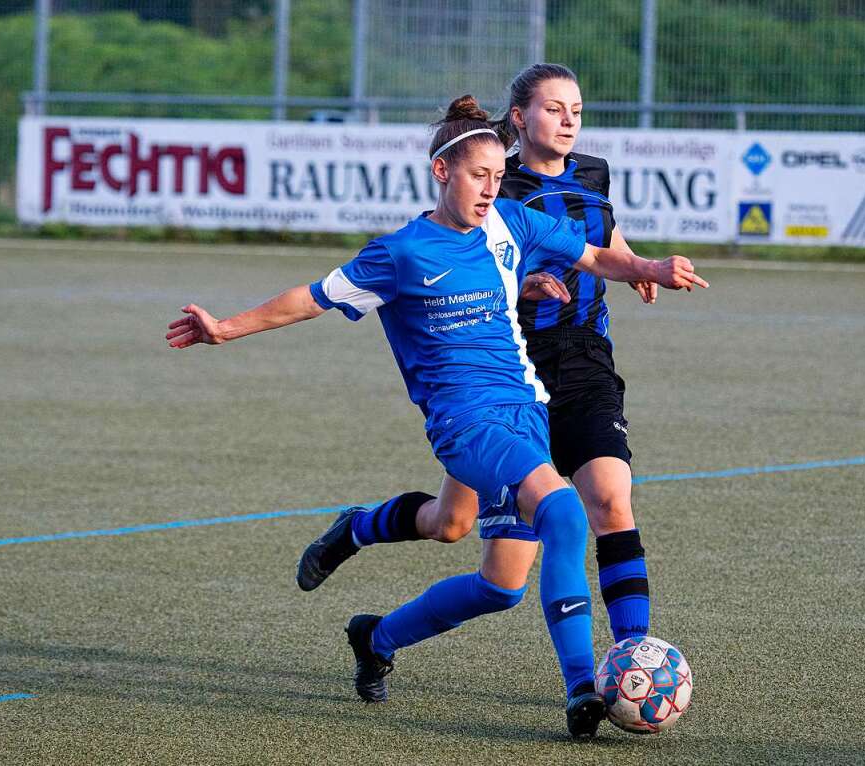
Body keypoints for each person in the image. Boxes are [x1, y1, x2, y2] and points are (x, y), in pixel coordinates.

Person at [169, 95, 705, 738]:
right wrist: (224, 328)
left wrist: (646, 267)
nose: (490, 189)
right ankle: (581, 689)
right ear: (441, 172)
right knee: (563, 509)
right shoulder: (400, 254)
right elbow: (309, 300)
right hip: (465, 423)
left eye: (498, 177)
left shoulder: (512, 222)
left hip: (525, 409)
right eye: (479, 176)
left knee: (497, 581)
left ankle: (376, 635)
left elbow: (594, 256)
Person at [299, 65, 706, 651]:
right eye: (554, 109)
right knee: (451, 525)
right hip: (507, 372)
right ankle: (359, 530)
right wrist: (526, 285)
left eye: (577, 111)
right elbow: (462, 281)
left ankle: (630, 654)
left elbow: (599, 243)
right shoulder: (493, 186)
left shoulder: (594, 173)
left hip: (586, 359)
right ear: (519, 118)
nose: (568, 122)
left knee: (611, 502)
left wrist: (642, 267)